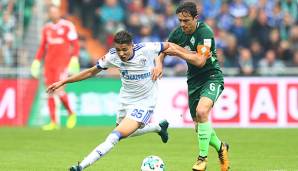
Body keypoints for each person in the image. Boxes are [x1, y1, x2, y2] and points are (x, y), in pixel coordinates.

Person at [47, 31, 171, 171]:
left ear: (132, 45)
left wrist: (160, 63)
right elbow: (90, 72)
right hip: (126, 100)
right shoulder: (112, 56)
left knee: (114, 136)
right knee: (126, 133)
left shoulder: (145, 49)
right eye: (119, 50)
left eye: (125, 49)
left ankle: (80, 166)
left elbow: (168, 46)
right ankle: (158, 127)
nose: (122, 53)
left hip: (145, 102)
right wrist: (64, 81)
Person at [153, 2, 230, 171]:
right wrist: (159, 64)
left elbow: (201, 61)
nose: (182, 24)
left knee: (202, 112)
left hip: (211, 77)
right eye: (180, 20)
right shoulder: (178, 33)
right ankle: (221, 147)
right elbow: (163, 50)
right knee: (199, 127)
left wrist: (179, 51)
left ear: (196, 18)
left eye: (186, 20)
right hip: (193, 81)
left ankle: (202, 159)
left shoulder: (205, 33)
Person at [31, 5, 80, 130]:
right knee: (50, 91)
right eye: (51, 12)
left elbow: (75, 44)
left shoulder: (67, 26)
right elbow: (42, 46)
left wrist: (74, 57)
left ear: (59, 13)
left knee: (59, 90)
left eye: (56, 12)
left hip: (63, 63)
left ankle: (71, 113)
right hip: (49, 64)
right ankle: (53, 122)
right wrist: (36, 61)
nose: (54, 14)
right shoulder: (46, 28)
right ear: (49, 14)